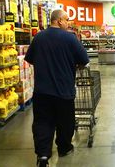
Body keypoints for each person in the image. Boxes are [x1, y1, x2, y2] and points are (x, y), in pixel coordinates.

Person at [25, 9, 89, 167]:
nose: (68, 23)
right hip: (64, 90)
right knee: (65, 122)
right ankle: (64, 148)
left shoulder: (38, 37)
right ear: (59, 20)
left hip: (42, 91)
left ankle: (43, 155)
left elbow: (30, 59)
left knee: (42, 122)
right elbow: (84, 60)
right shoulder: (70, 38)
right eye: (66, 20)